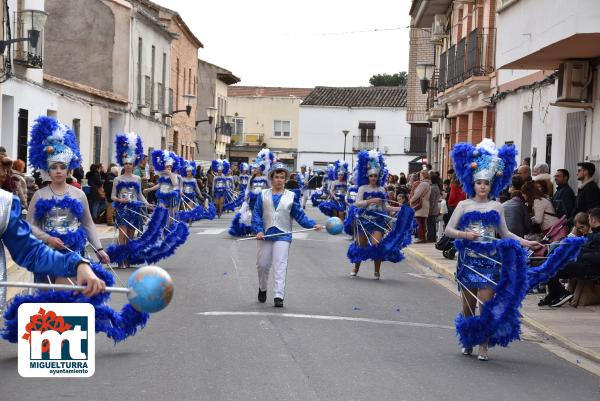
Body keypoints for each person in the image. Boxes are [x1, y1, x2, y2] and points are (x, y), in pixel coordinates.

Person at [445, 139, 541, 361]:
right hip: (468, 260)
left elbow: (505, 234)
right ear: (473, 183)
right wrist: (464, 235)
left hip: (489, 261)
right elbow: (449, 230)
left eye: (485, 183)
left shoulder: (497, 206)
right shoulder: (463, 205)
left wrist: (527, 243)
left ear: (491, 185)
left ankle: (484, 345)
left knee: (485, 306)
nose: (482, 186)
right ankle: (468, 339)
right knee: (468, 307)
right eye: (478, 182)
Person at [26, 116, 110, 286]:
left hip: (73, 252)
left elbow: (88, 224)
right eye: (54, 167)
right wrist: (48, 239)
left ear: (68, 169)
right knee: (48, 302)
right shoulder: (40, 195)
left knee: (67, 297)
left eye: (62, 167)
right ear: (47, 170)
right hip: (48, 253)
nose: (58, 171)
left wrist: (99, 249)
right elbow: (30, 226)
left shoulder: (78, 194)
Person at [252, 162, 322, 307]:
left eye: (282, 177)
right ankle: (263, 288)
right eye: (276, 177)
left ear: (285, 179)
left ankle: (278, 295)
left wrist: (312, 224)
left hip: (283, 234)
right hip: (265, 234)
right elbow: (257, 214)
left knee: (280, 264)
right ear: (271, 178)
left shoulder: (291, 196)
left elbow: (299, 215)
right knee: (262, 265)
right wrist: (258, 229)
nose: (279, 180)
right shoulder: (262, 195)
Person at [349, 150, 405, 279]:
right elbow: (357, 204)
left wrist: (399, 209)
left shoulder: (382, 189)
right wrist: (370, 201)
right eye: (371, 176)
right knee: (360, 246)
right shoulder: (363, 188)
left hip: (378, 221)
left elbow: (385, 207)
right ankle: (356, 267)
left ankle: (377, 271)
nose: (373, 178)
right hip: (364, 220)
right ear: (367, 177)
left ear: (378, 176)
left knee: (377, 245)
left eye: (375, 176)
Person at [543, 208, 600, 307]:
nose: (589, 221)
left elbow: (594, 254)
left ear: (593, 219)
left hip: (589, 267)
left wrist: (581, 253)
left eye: (589, 219)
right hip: (583, 264)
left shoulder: (596, 235)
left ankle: (561, 293)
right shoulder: (593, 234)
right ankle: (555, 293)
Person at [112, 133, 152, 268]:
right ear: (124, 164)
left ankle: (128, 258)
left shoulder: (137, 178)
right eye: (126, 163)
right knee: (122, 234)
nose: (128, 166)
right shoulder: (118, 179)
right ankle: (120, 259)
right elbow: (112, 196)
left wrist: (147, 204)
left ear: (133, 163)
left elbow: (139, 194)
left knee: (131, 235)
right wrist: (119, 200)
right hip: (122, 209)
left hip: (134, 209)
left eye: (130, 163)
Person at [144, 150, 182, 219]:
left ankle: (169, 228)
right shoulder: (162, 176)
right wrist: (149, 189)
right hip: (162, 196)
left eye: (170, 167)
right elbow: (159, 185)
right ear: (164, 167)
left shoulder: (173, 175)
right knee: (161, 212)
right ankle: (162, 227)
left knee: (170, 217)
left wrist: (170, 174)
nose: (169, 168)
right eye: (167, 167)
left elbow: (175, 184)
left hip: (170, 197)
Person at [410, 170, 431, 243]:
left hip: (420, 205)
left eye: (421, 175)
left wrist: (411, 200)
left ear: (424, 176)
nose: (420, 176)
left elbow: (417, 194)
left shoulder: (423, 184)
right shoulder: (428, 184)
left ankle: (420, 238)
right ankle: (423, 237)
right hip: (425, 204)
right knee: (422, 222)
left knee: (419, 222)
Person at [427, 172, 442, 242]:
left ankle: (430, 238)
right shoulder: (437, 187)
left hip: (432, 209)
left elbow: (432, 201)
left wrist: (429, 210)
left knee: (430, 224)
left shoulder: (432, 188)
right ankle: (433, 238)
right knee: (433, 224)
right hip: (435, 208)